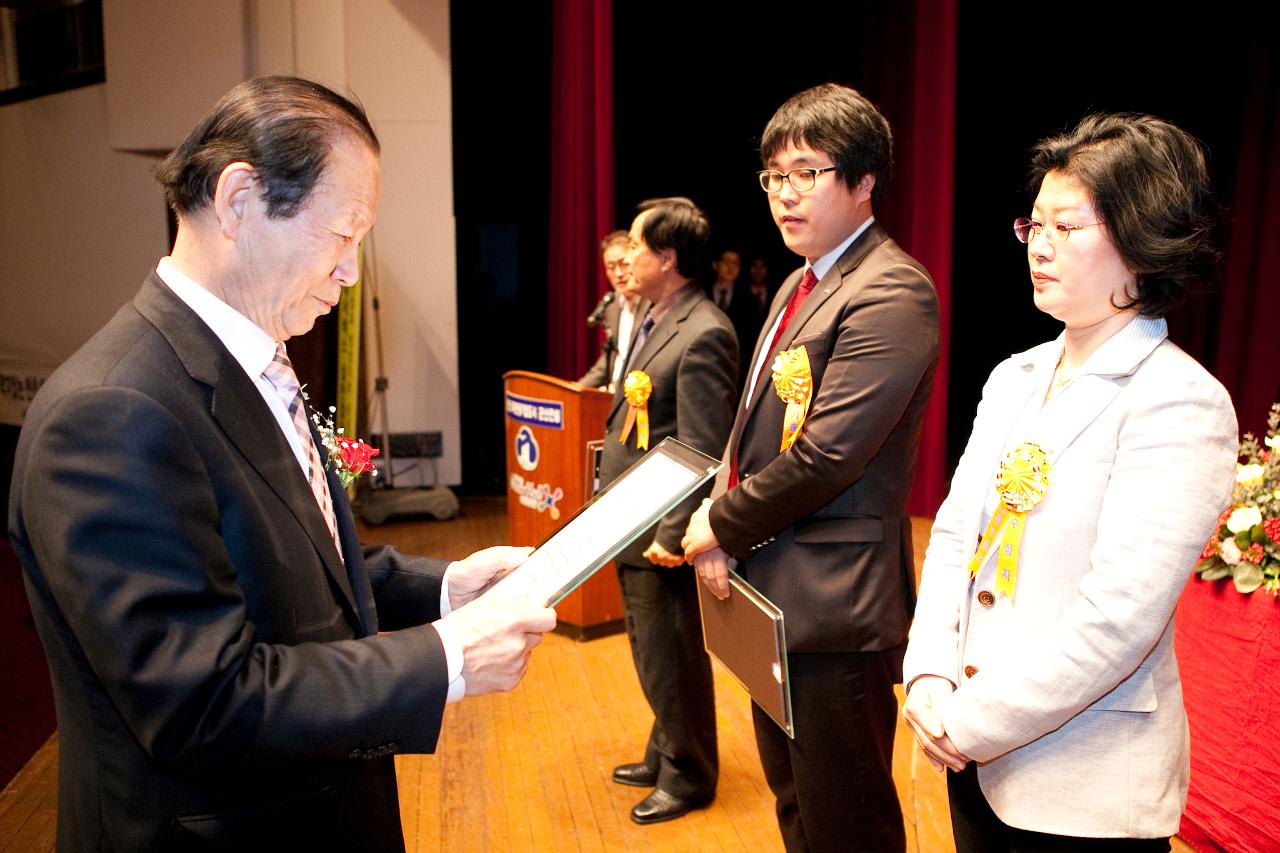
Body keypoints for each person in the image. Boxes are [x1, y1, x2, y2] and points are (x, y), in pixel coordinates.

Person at [6, 76, 556, 852]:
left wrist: (444, 588)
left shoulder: (249, 361)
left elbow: (295, 561)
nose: (351, 270)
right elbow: (202, 702)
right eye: (342, 233)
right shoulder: (112, 411)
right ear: (238, 200)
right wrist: (448, 657)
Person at [901, 113, 1238, 852]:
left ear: (1140, 239)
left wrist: (973, 719)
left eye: (1068, 226)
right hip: (969, 751)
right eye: (1035, 225)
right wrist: (927, 674)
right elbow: (957, 535)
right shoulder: (1014, 375)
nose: (1040, 246)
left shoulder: (1178, 399)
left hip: (1081, 785)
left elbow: (1118, 619)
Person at [682, 83, 939, 852]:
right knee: (797, 800)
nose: (783, 195)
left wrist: (719, 522)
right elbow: (752, 424)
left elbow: (830, 452)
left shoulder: (892, 290)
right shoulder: (800, 279)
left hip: (837, 605)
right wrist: (725, 519)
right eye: (771, 176)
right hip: (777, 587)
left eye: (805, 173)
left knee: (848, 817)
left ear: (864, 182)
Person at [600, 197, 738, 824]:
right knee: (650, 646)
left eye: (636, 243)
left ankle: (689, 774)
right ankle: (665, 749)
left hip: (660, 528)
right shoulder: (656, 316)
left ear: (670, 257)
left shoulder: (704, 330)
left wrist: (674, 530)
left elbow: (701, 445)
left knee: (672, 652)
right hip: (629, 516)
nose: (625, 254)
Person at [579, 230, 645, 391]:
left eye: (623, 264)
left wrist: (618, 388)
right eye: (610, 267)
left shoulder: (653, 305)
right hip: (610, 393)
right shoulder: (612, 305)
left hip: (637, 393)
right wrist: (574, 389)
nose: (618, 274)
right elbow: (608, 362)